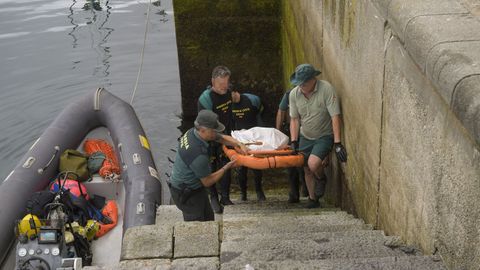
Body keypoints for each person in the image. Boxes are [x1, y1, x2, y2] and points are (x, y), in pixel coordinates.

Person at [168, 110, 248, 221]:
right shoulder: (197, 154)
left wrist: (239, 144)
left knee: (209, 218)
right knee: (197, 227)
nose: (216, 133)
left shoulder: (193, 132)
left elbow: (221, 138)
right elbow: (208, 181)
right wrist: (227, 167)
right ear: (203, 130)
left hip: (196, 188)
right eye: (214, 131)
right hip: (186, 194)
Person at [288, 64, 347, 208]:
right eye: (299, 83)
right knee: (306, 167)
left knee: (313, 164)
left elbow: (335, 116)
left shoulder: (326, 89)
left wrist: (338, 143)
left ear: (313, 79)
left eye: (304, 83)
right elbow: (294, 119)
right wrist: (294, 140)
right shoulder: (294, 94)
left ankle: (321, 178)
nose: (301, 86)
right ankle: (313, 199)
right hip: (305, 135)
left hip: (324, 135)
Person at [197, 66, 235, 212]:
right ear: (213, 81)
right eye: (221, 85)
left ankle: (225, 196)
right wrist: (215, 139)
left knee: (227, 164)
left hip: (227, 133)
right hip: (211, 136)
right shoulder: (206, 99)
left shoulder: (228, 92)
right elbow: (204, 125)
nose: (224, 88)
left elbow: (230, 113)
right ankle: (213, 197)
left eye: (226, 84)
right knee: (211, 168)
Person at [231, 90, 266, 201]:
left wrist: (261, 136)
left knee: (257, 166)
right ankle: (243, 193)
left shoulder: (252, 100)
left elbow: (262, 114)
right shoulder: (228, 104)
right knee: (241, 167)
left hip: (254, 135)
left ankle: (259, 191)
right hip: (240, 137)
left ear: (235, 92)